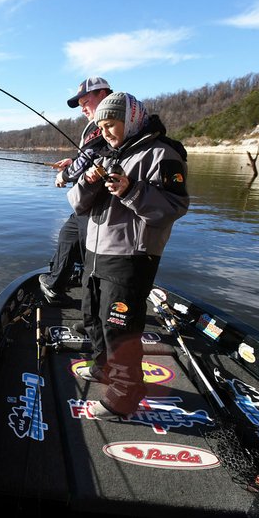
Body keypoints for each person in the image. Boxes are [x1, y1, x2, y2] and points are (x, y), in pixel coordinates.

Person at [67, 92, 189, 419]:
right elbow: (77, 204)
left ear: (131, 120)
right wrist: (89, 181)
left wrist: (130, 190)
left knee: (120, 328)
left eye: (111, 125)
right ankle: (103, 368)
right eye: (101, 126)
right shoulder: (107, 154)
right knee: (93, 316)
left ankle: (123, 396)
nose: (105, 132)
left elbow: (174, 207)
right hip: (95, 253)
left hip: (130, 257)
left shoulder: (162, 154)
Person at [39, 77, 113, 302]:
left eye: (85, 101)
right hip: (90, 200)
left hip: (102, 203)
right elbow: (91, 156)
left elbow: (92, 155)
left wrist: (64, 175)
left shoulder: (110, 119)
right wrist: (73, 161)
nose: (82, 108)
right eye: (80, 104)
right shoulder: (96, 123)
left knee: (90, 253)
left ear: (102, 94)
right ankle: (56, 283)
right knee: (69, 235)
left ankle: (94, 306)